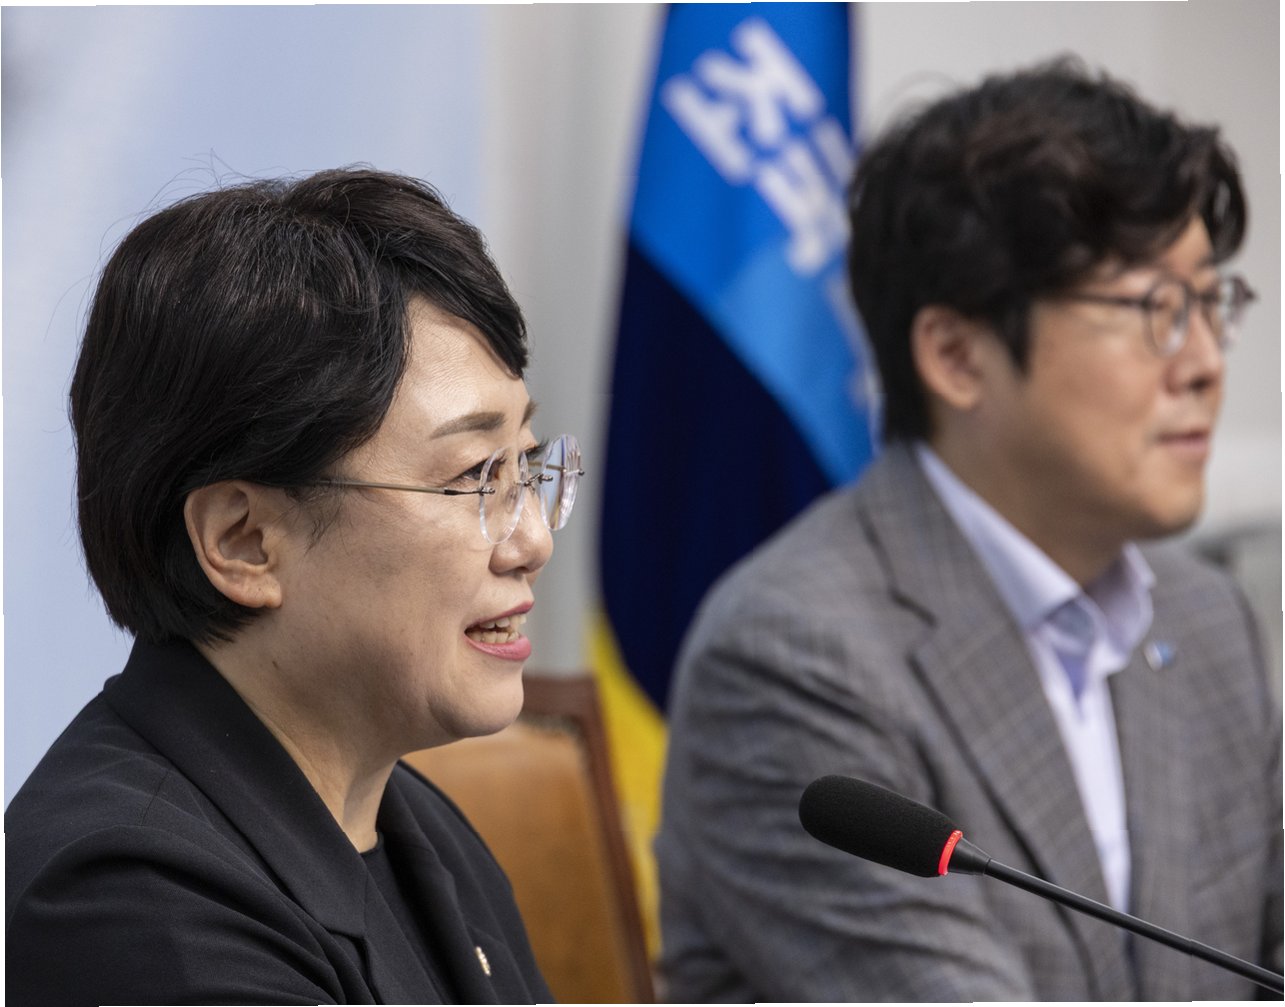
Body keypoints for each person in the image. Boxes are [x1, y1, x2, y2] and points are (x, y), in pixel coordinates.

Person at [656, 58, 1281, 1001]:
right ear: (955, 355)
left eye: (1209, 303)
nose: (1203, 363)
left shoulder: (1203, 619)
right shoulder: (792, 655)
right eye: (1154, 308)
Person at [6, 167, 585, 1004]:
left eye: (524, 467)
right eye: (471, 476)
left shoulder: (417, 826)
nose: (531, 540)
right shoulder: (126, 904)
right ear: (243, 541)